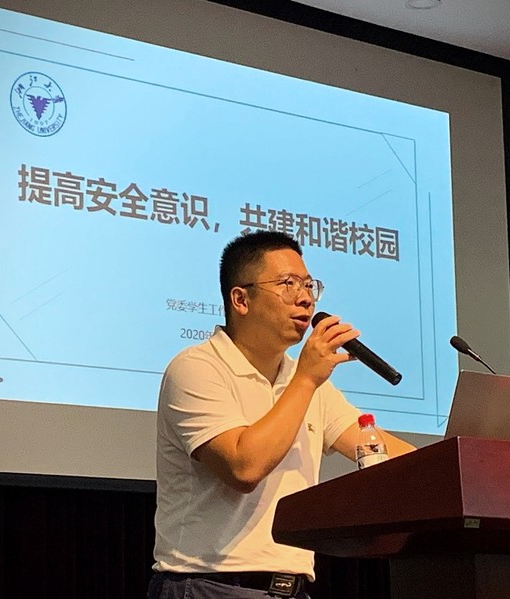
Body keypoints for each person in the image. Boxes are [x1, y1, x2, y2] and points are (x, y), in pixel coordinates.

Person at [148, 230, 415, 599]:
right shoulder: (197, 367)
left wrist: (464, 463)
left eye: (308, 285)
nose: (305, 297)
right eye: (288, 284)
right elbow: (243, 468)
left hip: (291, 589)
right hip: (210, 586)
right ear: (240, 300)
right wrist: (306, 378)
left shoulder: (301, 379)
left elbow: (376, 448)